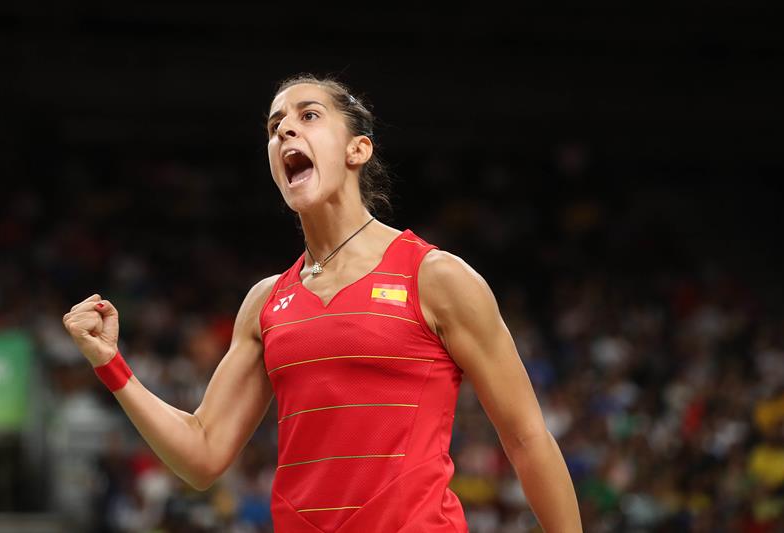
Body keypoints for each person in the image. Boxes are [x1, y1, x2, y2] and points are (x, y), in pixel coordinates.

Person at [62, 73, 582, 532]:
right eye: (274, 126)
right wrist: (111, 365)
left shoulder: (436, 277)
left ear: (358, 150)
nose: (285, 129)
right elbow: (202, 454)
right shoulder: (266, 303)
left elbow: (527, 439)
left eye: (308, 115)